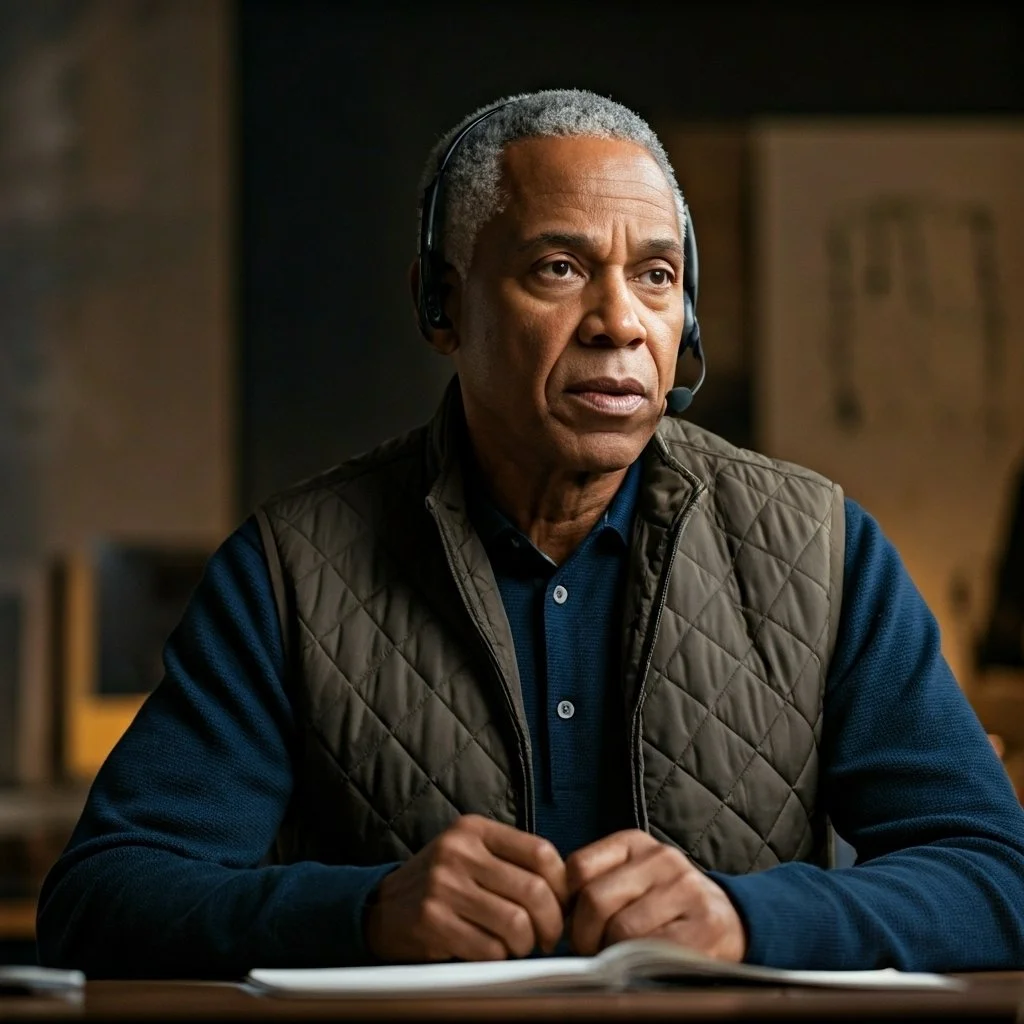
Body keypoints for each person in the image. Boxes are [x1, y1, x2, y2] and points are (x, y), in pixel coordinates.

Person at [36, 89, 1024, 979]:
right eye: (559, 268)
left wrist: (745, 918)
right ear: (441, 305)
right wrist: (365, 911)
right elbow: (103, 898)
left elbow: (996, 877)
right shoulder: (289, 569)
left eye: (656, 276)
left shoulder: (821, 549)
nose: (620, 323)